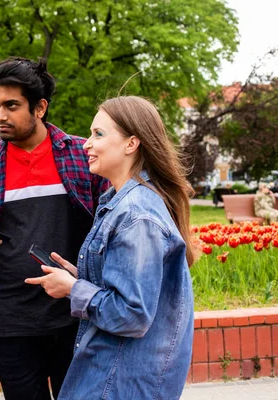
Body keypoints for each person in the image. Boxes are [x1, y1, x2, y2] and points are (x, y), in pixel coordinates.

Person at [0, 57, 108, 400]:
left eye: (11, 105)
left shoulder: (84, 157)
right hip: (9, 320)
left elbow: (112, 230)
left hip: (74, 312)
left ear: (40, 107)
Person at [25, 96, 195, 399]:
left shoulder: (136, 215)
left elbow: (131, 314)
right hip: (113, 375)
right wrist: (80, 277)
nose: (86, 144)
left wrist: (72, 289)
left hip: (120, 382)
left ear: (131, 144)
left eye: (98, 134)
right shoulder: (121, 204)